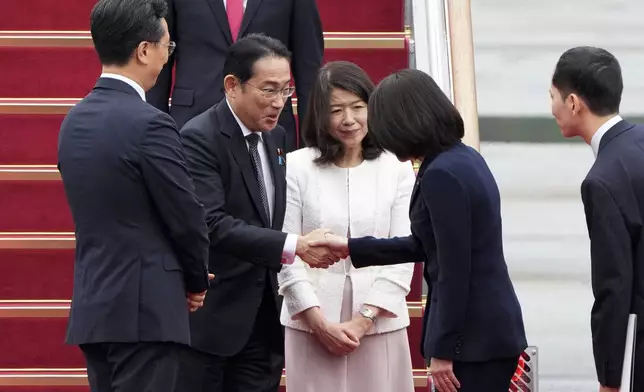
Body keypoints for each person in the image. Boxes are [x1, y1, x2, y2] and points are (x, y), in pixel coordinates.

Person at [310, 68, 528, 392]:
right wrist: (351, 246)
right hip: (488, 332)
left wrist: (444, 350)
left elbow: (454, 270)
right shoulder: (461, 158)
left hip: (474, 342)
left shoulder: (442, 174)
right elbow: (427, 244)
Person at [57, 0, 212, 391]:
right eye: (167, 48)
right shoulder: (151, 124)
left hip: (96, 307)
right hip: (148, 312)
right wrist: (196, 280)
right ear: (144, 50)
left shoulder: (73, 120)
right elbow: (185, 215)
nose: (166, 58)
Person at [174, 34, 338, 392]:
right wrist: (294, 245)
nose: (279, 102)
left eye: (286, 90)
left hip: (264, 322)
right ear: (232, 85)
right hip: (212, 322)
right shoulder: (198, 137)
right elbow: (211, 223)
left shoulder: (277, 138)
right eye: (268, 90)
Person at [278, 61, 416, 392]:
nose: (349, 120)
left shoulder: (396, 168)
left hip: (380, 318)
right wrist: (318, 322)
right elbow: (286, 249)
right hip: (310, 320)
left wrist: (363, 319)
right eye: (336, 110)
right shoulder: (296, 166)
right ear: (320, 115)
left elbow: (404, 252)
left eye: (357, 107)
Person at [550, 46, 644, 392]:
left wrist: (610, 376)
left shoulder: (601, 180)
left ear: (574, 103)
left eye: (553, 97)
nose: (553, 109)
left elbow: (613, 287)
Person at [146, 0, 324, 153]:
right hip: (192, 118)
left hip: (270, 123)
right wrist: (154, 134)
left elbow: (309, 73)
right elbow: (157, 57)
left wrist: (311, 148)